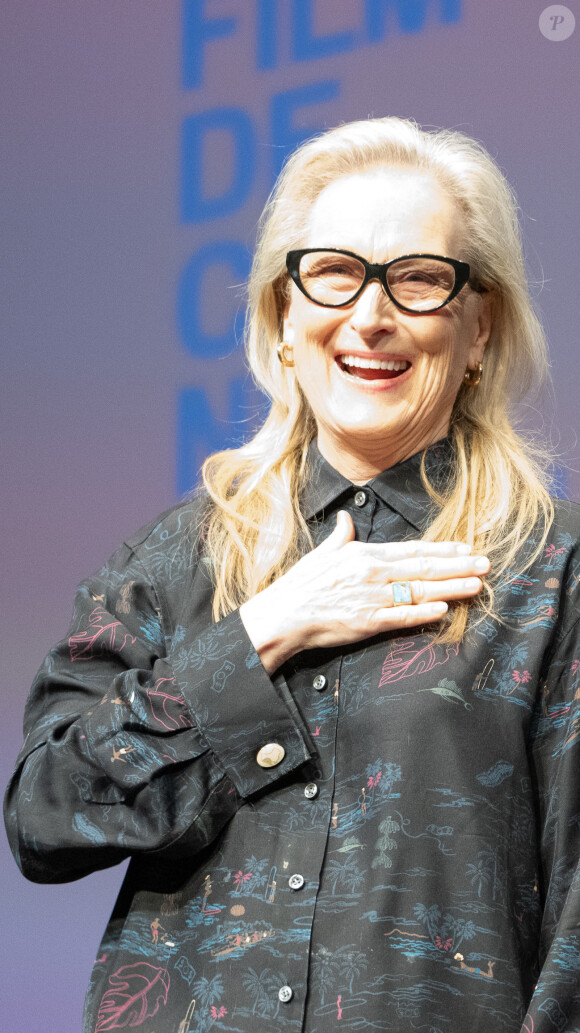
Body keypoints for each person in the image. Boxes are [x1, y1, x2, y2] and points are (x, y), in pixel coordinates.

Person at [4, 117, 580, 1033]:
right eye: (334, 271)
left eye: (421, 279)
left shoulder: (553, 572)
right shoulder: (170, 560)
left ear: (480, 330)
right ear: (282, 316)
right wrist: (259, 636)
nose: (370, 315)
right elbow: (47, 815)